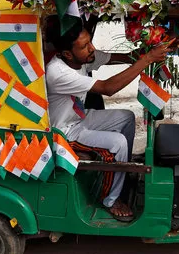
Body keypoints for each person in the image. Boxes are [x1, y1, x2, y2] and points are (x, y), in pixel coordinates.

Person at [45, 19, 170, 222]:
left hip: (80, 118)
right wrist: (146, 59)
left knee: (126, 118)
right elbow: (108, 88)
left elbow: (116, 57)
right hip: (63, 132)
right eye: (85, 46)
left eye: (90, 42)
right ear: (67, 53)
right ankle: (110, 200)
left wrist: (144, 52)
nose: (92, 48)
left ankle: (123, 169)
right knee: (116, 143)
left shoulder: (81, 57)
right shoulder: (58, 72)